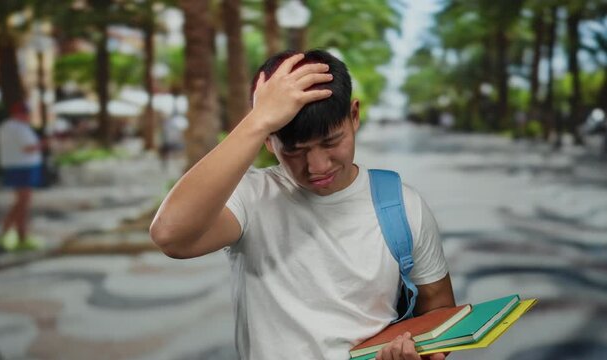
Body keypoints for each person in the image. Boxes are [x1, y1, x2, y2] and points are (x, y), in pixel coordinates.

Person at [150, 50, 455, 360]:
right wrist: (258, 121)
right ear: (269, 141)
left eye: (331, 142)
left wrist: (420, 353)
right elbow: (171, 235)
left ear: (354, 116)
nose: (317, 166)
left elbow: (439, 308)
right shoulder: (252, 197)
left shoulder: (402, 204)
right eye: (295, 152)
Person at [0, 101, 46, 251]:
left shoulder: (4, 126)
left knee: (20, 202)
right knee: (23, 203)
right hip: (24, 167)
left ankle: (8, 233)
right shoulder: (19, 127)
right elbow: (29, 147)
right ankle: (21, 236)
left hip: (14, 166)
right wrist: (44, 144)